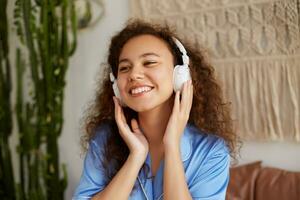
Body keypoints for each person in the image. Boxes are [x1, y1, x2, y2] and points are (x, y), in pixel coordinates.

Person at [73, 19, 238, 200]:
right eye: (125, 67)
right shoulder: (104, 138)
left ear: (179, 75)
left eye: (149, 62)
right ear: (115, 87)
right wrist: (135, 157)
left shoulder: (211, 151)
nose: (134, 74)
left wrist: (172, 145)